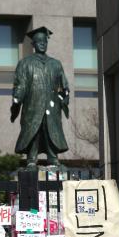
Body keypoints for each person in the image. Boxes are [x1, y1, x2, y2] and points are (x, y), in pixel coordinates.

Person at [10, 26, 69, 169]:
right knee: (33, 131)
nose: (42, 43)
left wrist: (63, 97)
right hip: (33, 105)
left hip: (51, 106)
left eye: (44, 41)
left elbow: (63, 85)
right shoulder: (25, 63)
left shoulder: (55, 64)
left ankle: (53, 158)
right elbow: (20, 85)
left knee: (50, 130)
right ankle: (31, 158)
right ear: (33, 44)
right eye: (39, 41)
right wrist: (17, 100)